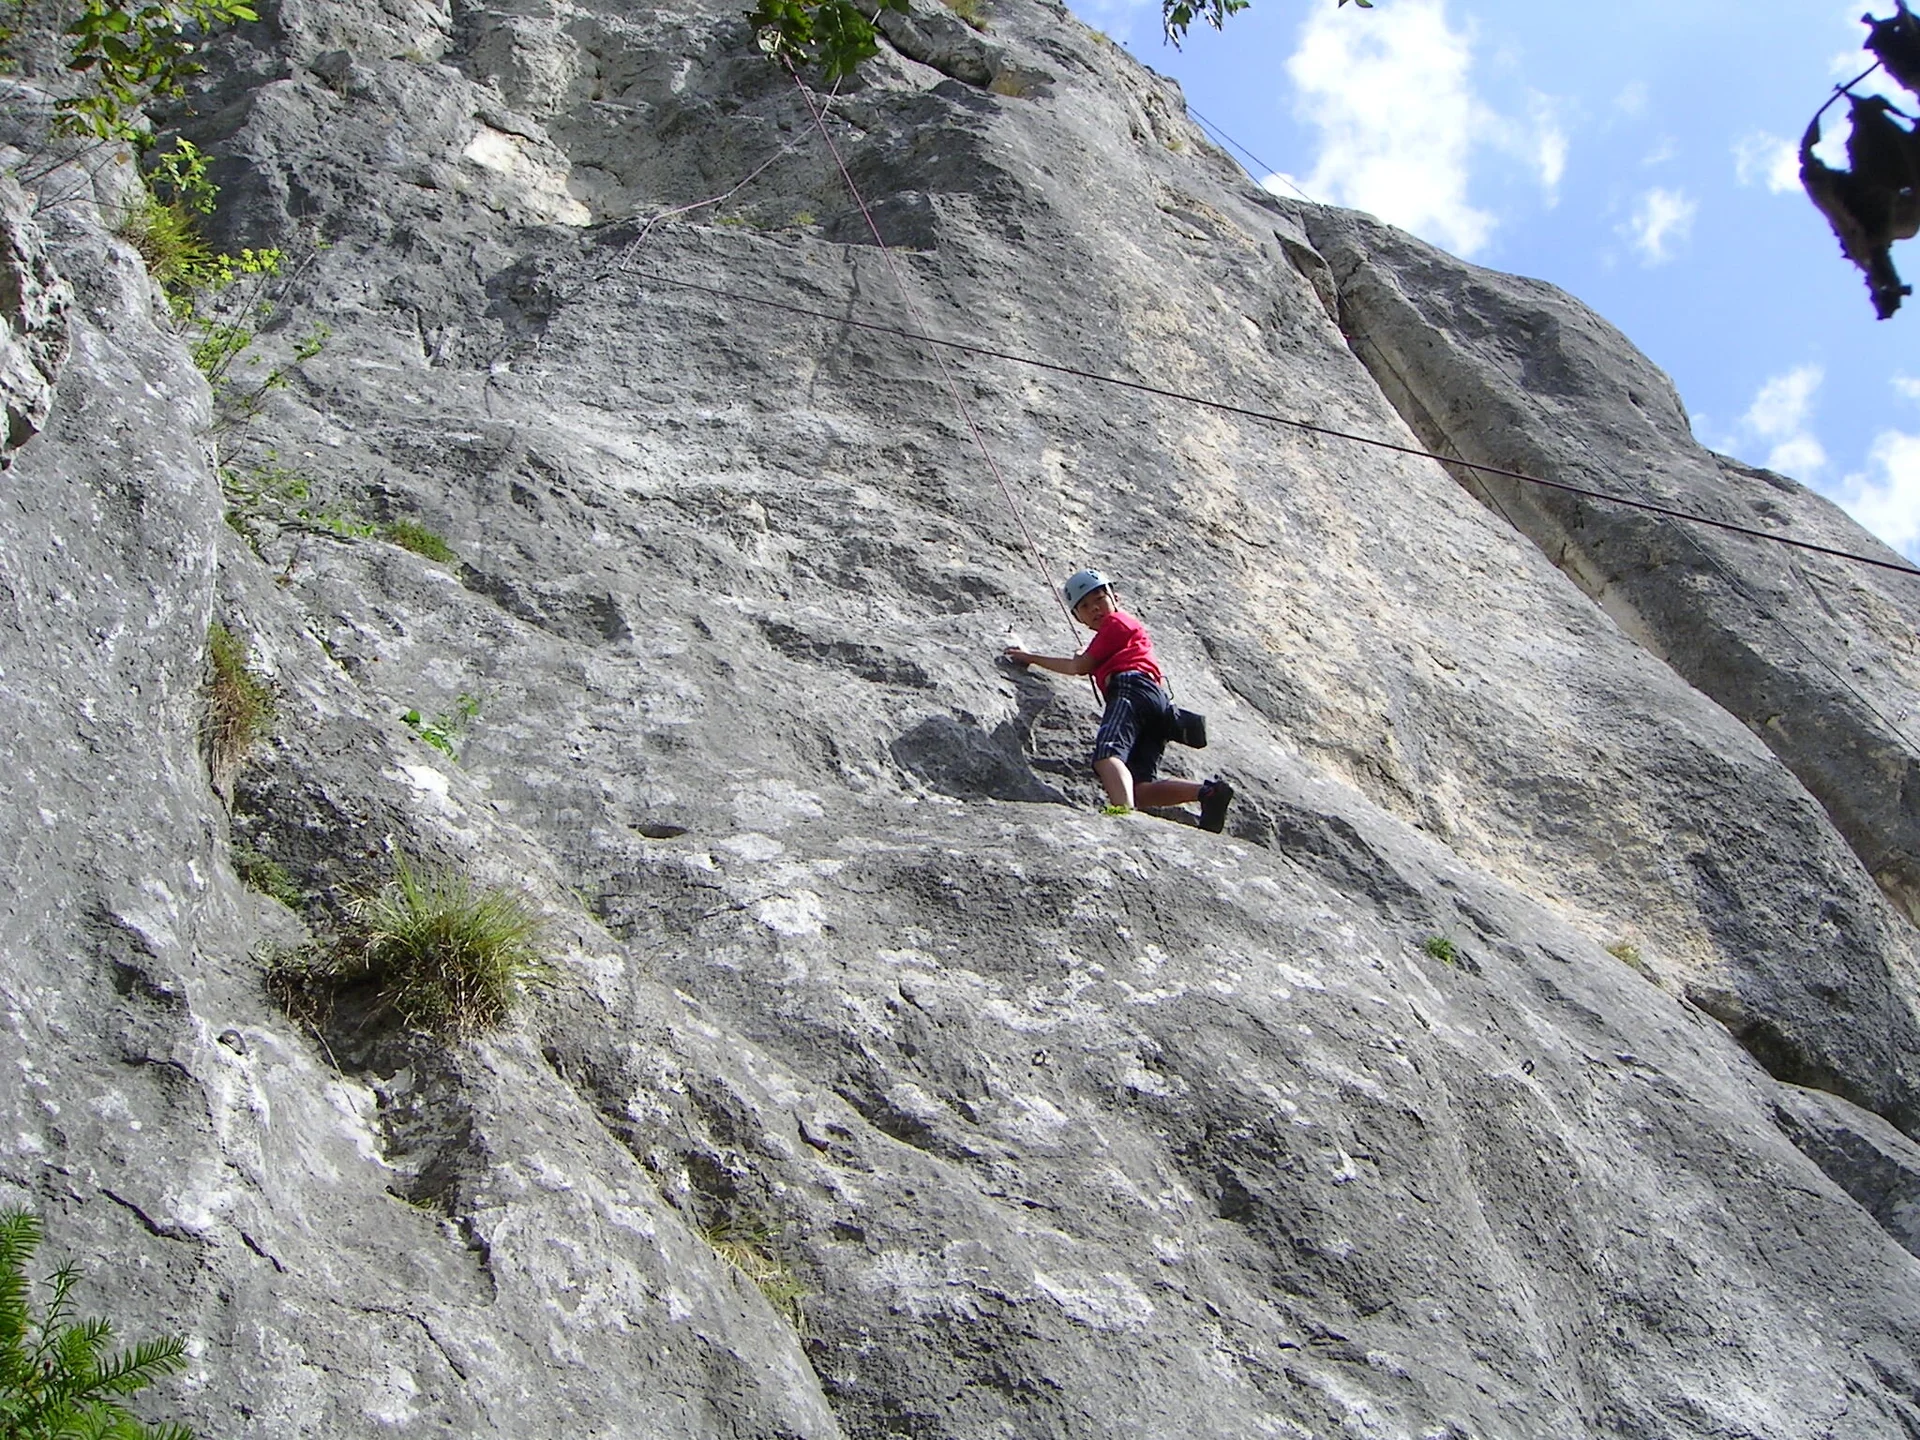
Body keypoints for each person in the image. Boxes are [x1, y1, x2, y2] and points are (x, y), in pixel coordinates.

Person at [1004, 569, 1234, 832]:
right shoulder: (1118, 634)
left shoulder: (1117, 623)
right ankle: (1209, 794)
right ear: (1078, 618)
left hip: (1130, 689)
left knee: (1107, 756)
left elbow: (1078, 667)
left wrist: (1033, 657)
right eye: (1085, 606)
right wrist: (1066, 657)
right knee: (1138, 789)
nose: (1095, 609)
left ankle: (1122, 814)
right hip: (1153, 702)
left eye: (1099, 599)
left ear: (1116, 598)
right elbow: (1080, 664)